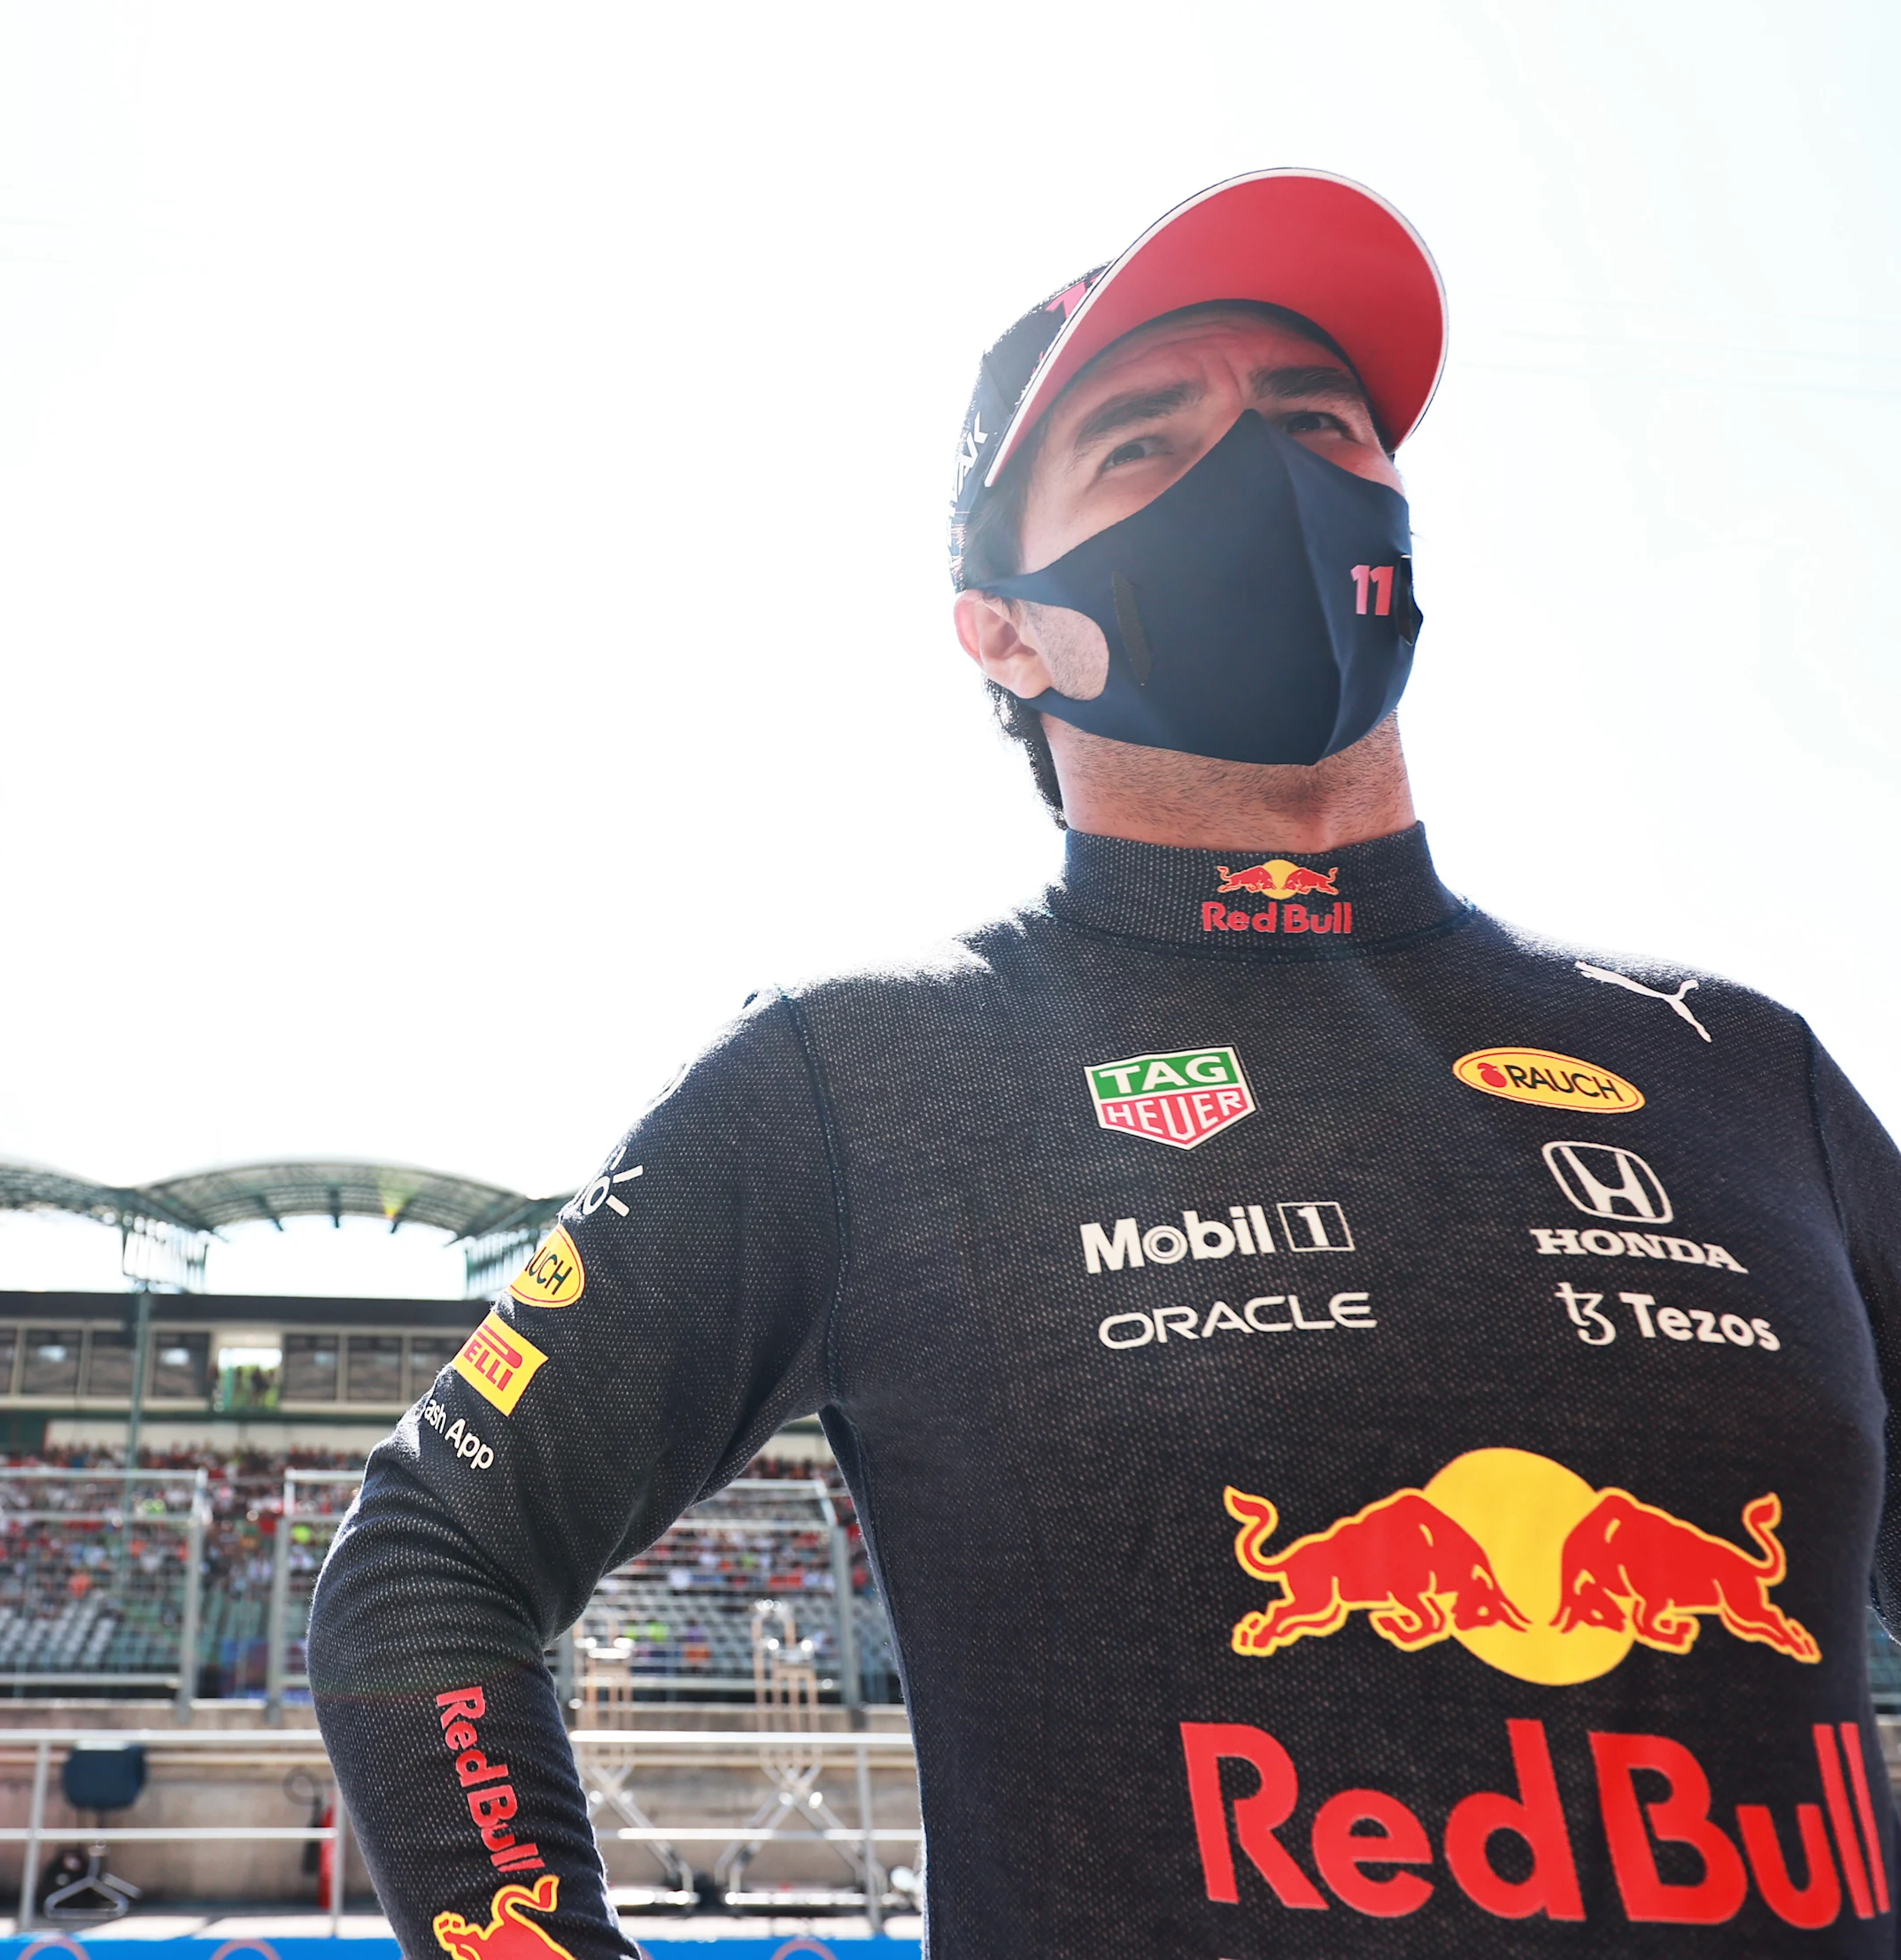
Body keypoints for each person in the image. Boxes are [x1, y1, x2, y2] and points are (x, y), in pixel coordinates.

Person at [308, 168, 1901, 1955]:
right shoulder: (862, 1074)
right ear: (1000, 624)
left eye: (1314, 420)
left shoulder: (1741, 1070)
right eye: (1148, 444)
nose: (1266, 477)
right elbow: (426, 1566)